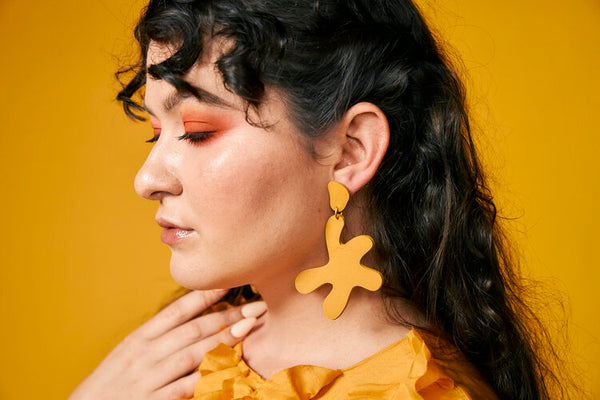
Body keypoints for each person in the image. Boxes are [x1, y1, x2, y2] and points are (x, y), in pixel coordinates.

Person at [69, 0, 567, 399]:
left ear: (350, 150)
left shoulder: (416, 389)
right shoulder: (167, 370)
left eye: (197, 132)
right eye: (156, 132)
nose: (147, 179)